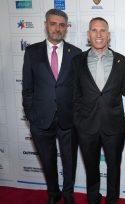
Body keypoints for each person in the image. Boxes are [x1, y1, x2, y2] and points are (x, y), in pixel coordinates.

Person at [22, 9, 81, 204]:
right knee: (48, 161)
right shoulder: (32, 52)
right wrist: (31, 114)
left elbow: (79, 89)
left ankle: (68, 193)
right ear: (46, 25)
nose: (57, 28)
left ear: (66, 28)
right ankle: (53, 193)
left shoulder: (76, 53)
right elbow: (27, 87)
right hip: (41, 118)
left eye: (62, 25)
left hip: (68, 119)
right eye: (53, 24)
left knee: (69, 160)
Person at [72, 17, 125, 204]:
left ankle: (113, 200)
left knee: (114, 167)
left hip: (114, 127)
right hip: (86, 127)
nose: (99, 34)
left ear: (109, 35)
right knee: (91, 168)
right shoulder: (77, 61)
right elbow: (74, 94)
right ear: (89, 35)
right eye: (94, 30)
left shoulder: (122, 61)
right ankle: (93, 198)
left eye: (102, 30)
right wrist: (78, 122)